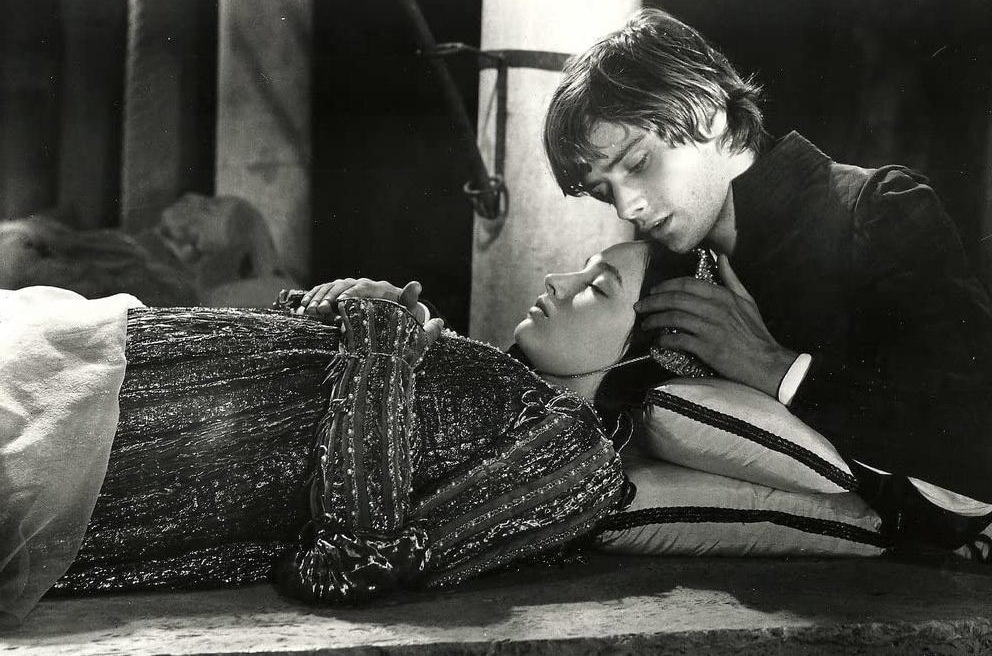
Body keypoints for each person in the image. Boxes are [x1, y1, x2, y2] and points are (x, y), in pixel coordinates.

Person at [542, 7, 992, 549]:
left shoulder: (875, 209)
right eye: (603, 190)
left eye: (639, 163)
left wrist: (776, 368)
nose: (627, 207)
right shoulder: (671, 263)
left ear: (709, 112)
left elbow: (987, 441)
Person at [34, 240, 688, 614]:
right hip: (136, 377)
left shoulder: (578, 458)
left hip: (140, 461)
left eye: (598, 287)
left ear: (648, 353)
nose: (558, 278)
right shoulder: (503, 381)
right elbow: (333, 392)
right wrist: (330, 309)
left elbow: (354, 561)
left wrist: (381, 339)